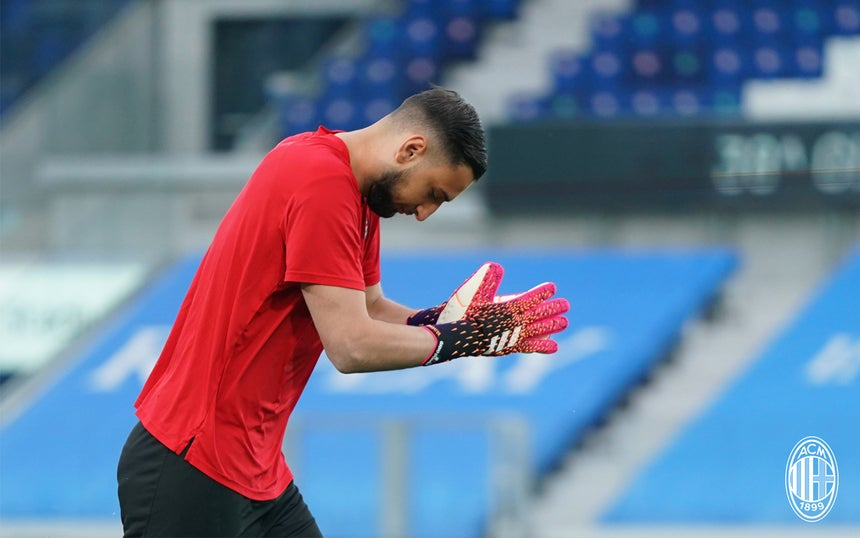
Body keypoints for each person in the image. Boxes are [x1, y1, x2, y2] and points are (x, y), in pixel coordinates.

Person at [116, 86, 569, 537]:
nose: (425, 212)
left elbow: (369, 307)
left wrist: (449, 322)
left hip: (251, 467)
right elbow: (352, 346)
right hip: (193, 461)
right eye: (434, 193)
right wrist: (457, 341)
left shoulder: (352, 186)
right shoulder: (322, 184)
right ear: (411, 150)